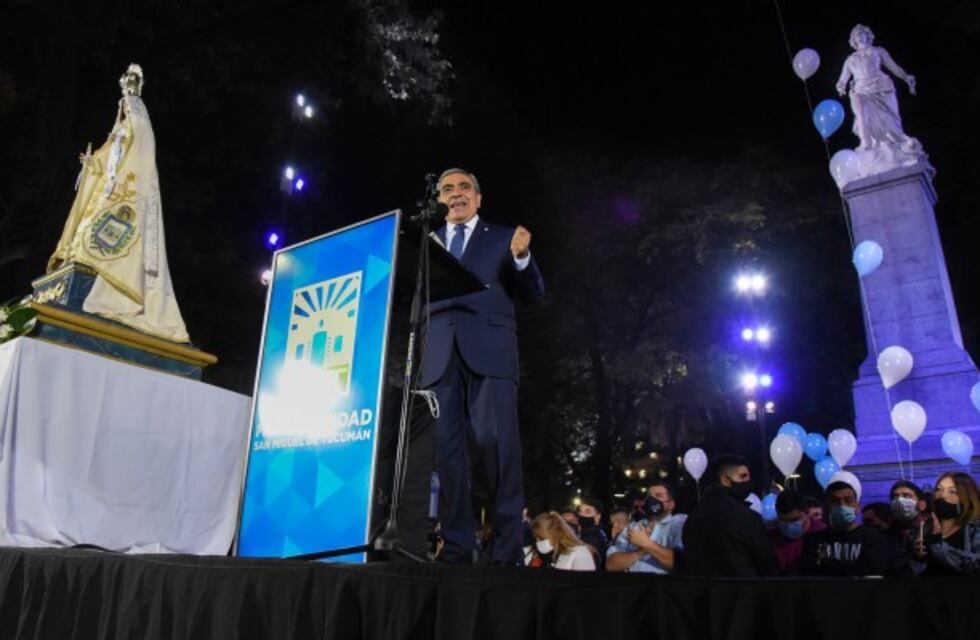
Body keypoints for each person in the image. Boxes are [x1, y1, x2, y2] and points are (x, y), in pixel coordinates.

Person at [420, 168, 545, 564]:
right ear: (439, 199)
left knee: (497, 447)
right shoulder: (425, 243)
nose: (456, 194)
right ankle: (456, 546)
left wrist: (522, 258)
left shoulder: (505, 238)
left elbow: (534, 293)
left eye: (464, 187)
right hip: (438, 358)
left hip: (490, 353)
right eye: (447, 189)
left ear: (478, 197)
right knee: (448, 456)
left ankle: (507, 550)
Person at [835, 24, 928, 167]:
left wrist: (905, 77)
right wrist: (841, 85)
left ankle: (895, 142)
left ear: (868, 35)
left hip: (881, 87)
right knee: (859, 105)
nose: (859, 36)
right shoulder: (850, 59)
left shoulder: (878, 51)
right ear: (853, 40)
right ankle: (866, 143)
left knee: (889, 121)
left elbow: (894, 67)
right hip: (861, 89)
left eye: (862, 33)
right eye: (856, 34)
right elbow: (842, 79)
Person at [682, 454, 778, 577]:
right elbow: (767, 564)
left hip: (703, 593)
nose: (748, 481)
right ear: (725, 480)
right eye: (743, 476)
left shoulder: (693, 517)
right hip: (744, 592)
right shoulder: (747, 517)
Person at [801, 480, 893, 577]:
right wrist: (854, 568)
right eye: (834, 501)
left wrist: (826, 564)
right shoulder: (813, 540)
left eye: (848, 500)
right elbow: (809, 571)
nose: (842, 505)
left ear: (857, 506)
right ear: (827, 507)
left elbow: (872, 570)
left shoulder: (874, 538)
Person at [607, 483, 686, 574]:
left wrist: (646, 543)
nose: (651, 499)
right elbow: (611, 565)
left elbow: (681, 564)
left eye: (658, 495)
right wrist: (639, 553)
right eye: (648, 496)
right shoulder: (632, 527)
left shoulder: (679, 523)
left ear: (670, 504)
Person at [925, 472, 980, 576]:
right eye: (938, 489)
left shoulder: (974, 528)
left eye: (952, 491)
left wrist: (938, 545)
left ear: (967, 497)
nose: (942, 495)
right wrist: (917, 559)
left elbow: (976, 565)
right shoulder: (925, 526)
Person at [770, 490, 826, 576]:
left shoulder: (822, 534)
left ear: (807, 513)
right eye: (783, 520)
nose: (788, 525)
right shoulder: (770, 538)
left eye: (794, 519)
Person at [884, 480, 930, 576]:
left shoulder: (929, 531)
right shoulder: (886, 535)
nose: (900, 500)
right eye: (895, 497)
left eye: (907, 496)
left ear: (921, 504)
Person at [525, 512, 596, 571]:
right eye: (536, 538)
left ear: (555, 534)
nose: (538, 542)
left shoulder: (579, 552)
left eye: (541, 538)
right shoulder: (538, 554)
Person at [575, 498, 609, 568]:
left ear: (597, 517)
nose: (582, 514)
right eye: (580, 511)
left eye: (588, 512)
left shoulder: (591, 536)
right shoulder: (597, 531)